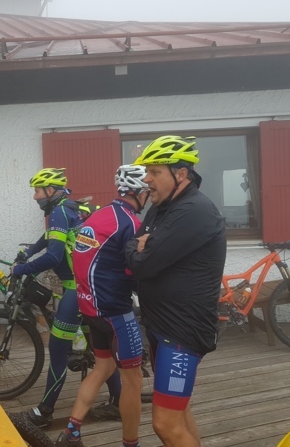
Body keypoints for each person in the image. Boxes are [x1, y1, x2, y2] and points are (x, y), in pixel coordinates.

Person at [125, 136, 226, 447]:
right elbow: (132, 246)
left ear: (180, 174)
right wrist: (138, 247)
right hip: (161, 326)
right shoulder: (162, 207)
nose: (146, 179)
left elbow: (143, 265)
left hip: (182, 331)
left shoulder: (195, 210)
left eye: (154, 172)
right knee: (179, 415)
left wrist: (140, 250)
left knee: (165, 424)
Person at [55, 165, 150, 447]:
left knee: (103, 368)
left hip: (90, 307)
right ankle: (131, 444)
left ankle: (71, 432)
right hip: (115, 312)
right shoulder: (131, 223)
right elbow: (136, 269)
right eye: (147, 191)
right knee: (133, 381)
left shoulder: (98, 215)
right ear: (139, 193)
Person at [12, 167, 99, 428]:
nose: (35, 197)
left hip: (76, 290)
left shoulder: (59, 212)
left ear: (50, 190)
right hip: (87, 286)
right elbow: (49, 238)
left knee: (58, 350)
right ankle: (118, 399)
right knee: (101, 351)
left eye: (37, 191)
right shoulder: (66, 208)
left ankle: (45, 411)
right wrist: (29, 251)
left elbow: (54, 256)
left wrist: (21, 269)